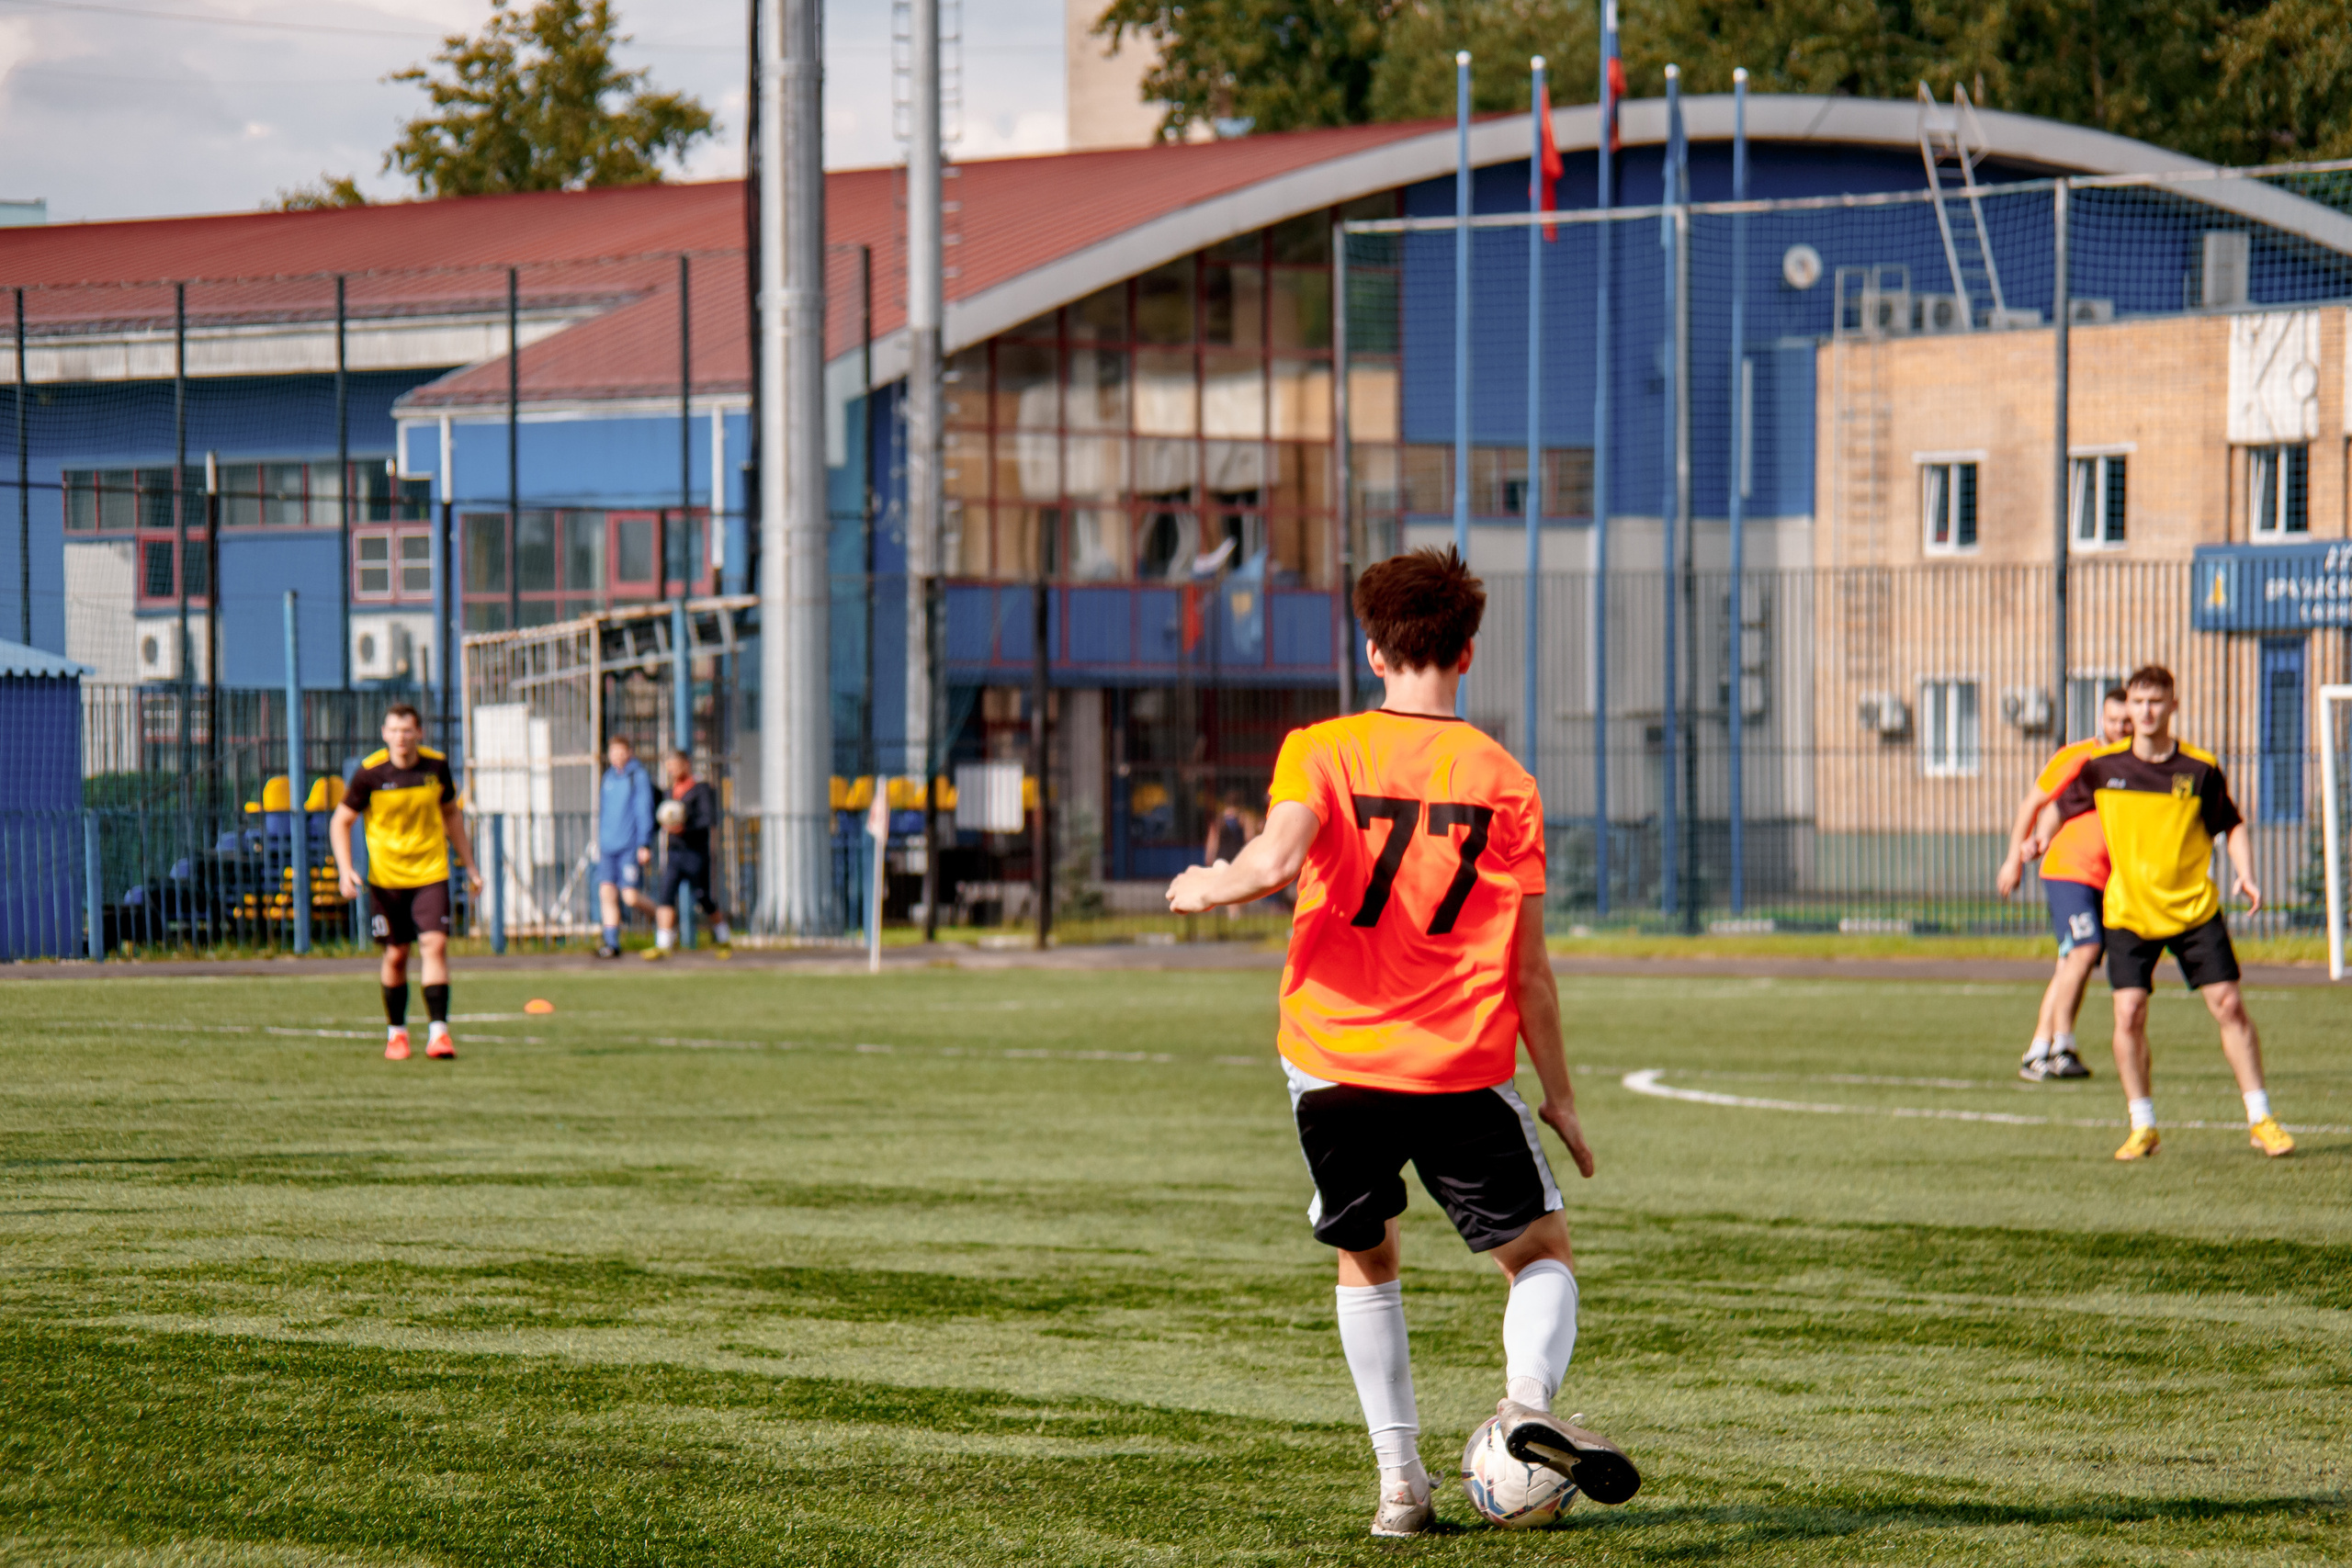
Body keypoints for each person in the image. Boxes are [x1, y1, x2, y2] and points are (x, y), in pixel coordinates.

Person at [1165, 547, 1639, 1538]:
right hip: (1459, 1067)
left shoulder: (1323, 747)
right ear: (1467, 650)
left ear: (1372, 650)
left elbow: (1278, 855)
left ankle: (1400, 1488)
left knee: (1366, 1260)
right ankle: (1523, 1401)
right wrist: (1558, 1094)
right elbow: (1529, 969)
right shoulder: (1506, 780)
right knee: (1539, 1253)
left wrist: (1216, 879)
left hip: (1333, 1063)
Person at [2038, 664, 2294, 1160]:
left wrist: (2245, 873)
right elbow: (2059, 805)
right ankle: (2143, 1125)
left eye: (2157, 701)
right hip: (2129, 911)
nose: (2147, 711)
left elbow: (2232, 824)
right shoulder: (2103, 767)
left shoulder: (2199, 768)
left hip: (2193, 908)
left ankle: (2261, 1118)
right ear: (2128, 708)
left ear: (2173, 706)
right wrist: (2039, 837)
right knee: (2129, 1013)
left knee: (2229, 1006)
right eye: (2139, 702)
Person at [330, 704, 482, 1062]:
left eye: (407, 730)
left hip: (431, 873)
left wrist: (471, 866)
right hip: (386, 880)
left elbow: (451, 815)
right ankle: (397, 1034)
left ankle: (439, 1035)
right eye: (394, 730)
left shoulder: (436, 767)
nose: (401, 737)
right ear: (385, 734)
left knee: (435, 945)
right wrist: (345, 869)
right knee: (397, 955)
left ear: (419, 734)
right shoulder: (370, 773)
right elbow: (341, 821)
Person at [1996, 685, 2132, 1081]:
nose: (2120, 727)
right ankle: (2049, 1047)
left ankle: (2052, 1048)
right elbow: (2037, 803)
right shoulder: (2080, 756)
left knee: (2072, 961)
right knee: (2086, 950)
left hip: (2105, 878)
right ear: (2101, 719)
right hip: (2068, 870)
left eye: (2126, 721)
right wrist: (2014, 859)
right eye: (2113, 720)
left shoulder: (2134, 763)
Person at [645, 749, 734, 958]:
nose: (672, 770)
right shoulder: (668, 792)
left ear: (686, 764)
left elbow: (709, 820)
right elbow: (660, 821)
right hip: (675, 852)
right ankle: (663, 945)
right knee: (666, 895)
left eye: (675, 765)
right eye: (669, 766)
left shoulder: (701, 789)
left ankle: (723, 938)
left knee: (703, 898)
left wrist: (685, 827)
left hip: (696, 853)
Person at [594, 734, 656, 959]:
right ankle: (611, 944)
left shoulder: (637, 776)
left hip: (629, 846)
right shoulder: (609, 777)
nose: (617, 756)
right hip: (608, 847)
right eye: (613, 752)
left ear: (629, 752)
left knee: (630, 896)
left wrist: (644, 844)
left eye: (621, 751)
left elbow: (643, 810)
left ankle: (664, 918)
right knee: (606, 892)